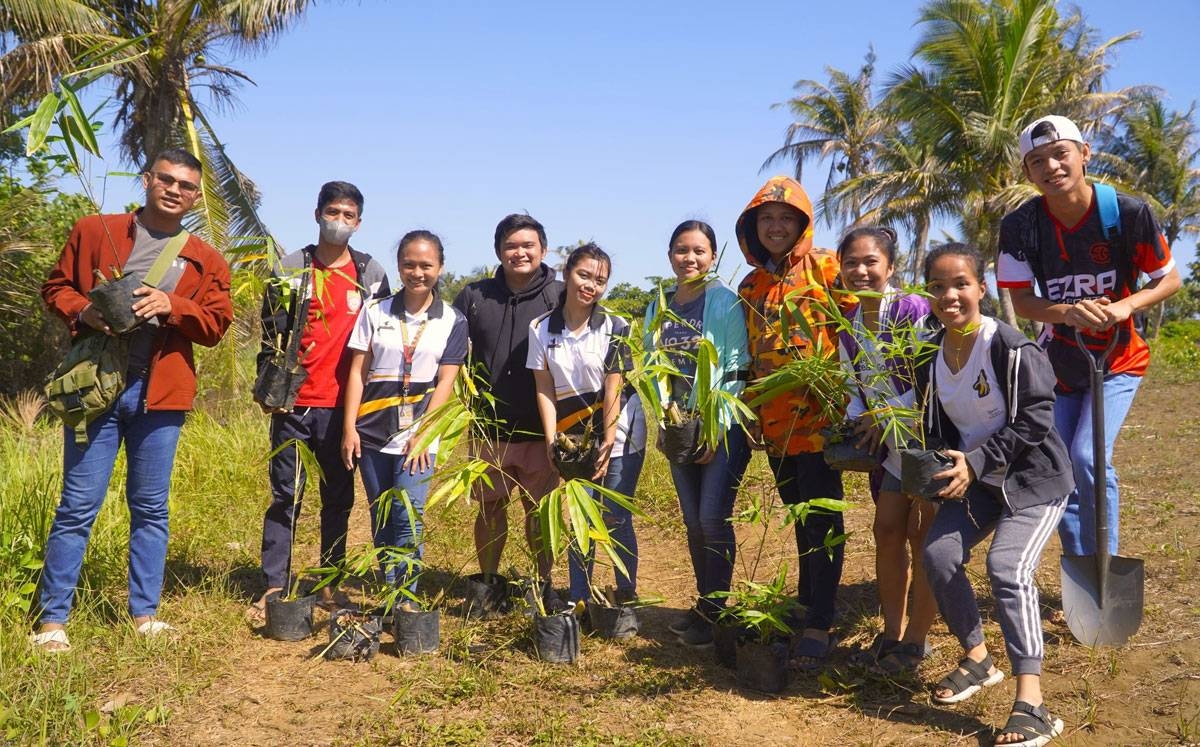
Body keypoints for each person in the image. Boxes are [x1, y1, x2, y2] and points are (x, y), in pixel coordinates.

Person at [33, 149, 233, 651]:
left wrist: (174, 305)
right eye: (165, 179)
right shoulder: (95, 230)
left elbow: (216, 325)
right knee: (78, 504)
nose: (174, 190)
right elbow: (56, 286)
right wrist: (85, 313)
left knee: (150, 506)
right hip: (96, 388)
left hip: (159, 393)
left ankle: (144, 614)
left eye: (186, 186)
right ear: (147, 180)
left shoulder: (205, 259)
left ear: (195, 196)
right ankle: (52, 621)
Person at [997, 114, 1181, 558]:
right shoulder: (1020, 226)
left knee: (1089, 456)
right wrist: (1068, 313)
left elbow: (1168, 279)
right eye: (1037, 161)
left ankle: (1107, 565)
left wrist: (1124, 307)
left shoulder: (1127, 213)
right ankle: (1081, 569)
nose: (1051, 167)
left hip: (1119, 358)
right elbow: (1022, 300)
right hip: (1059, 363)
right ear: (1028, 172)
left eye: (1061, 154)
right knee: (1062, 467)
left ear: (1084, 154)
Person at [919, 243, 1072, 747]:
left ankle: (1032, 701)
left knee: (1007, 569)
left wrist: (978, 461)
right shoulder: (930, 352)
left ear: (980, 288)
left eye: (960, 283)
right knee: (939, 554)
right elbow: (937, 423)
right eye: (938, 287)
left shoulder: (1009, 345)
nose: (950, 295)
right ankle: (979, 659)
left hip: (1034, 480)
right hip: (978, 480)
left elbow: (1036, 418)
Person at [249, 181, 389, 622]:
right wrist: (271, 392)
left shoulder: (371, 275)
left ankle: (331, 584)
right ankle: (276, 584)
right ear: (317, 214)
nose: (340, 221)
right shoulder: (293, 268)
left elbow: (382, 339)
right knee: (285, 495)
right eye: (333, 212)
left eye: (349, 215)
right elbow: (270, 334)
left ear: (359, 222)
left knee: (338, 497)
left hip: (344, 409)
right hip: (295, 403)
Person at [736, 175, 845, 671]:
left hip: (821, 419)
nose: (775, 227)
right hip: (776, 426)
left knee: (823, 520)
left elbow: (854, 328)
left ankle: (821, 621)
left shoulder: (825, 266)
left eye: (785, 218)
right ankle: (806, 602)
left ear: (802, 223)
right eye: (766, 218)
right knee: (798, 518)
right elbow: (750, 357)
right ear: (752, 227)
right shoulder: (750, 284)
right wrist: (754, 412)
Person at [341, 230, 467, 597]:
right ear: (398, 267)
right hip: (372, 432)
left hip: (419, 438)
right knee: (381, 516)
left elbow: (447, 381)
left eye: (426, 265)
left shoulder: (453, 320)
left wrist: (426, 432)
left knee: (409, 515)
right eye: (409, 264)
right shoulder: (374, 312)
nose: (417, 272)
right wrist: (349, 427)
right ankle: (389, 588)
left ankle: (406, 595)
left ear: (440, 268)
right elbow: (356, 372)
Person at [643, 220, 750, 648]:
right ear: (670, 255)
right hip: (678, 428)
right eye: (682, 250)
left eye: (699, 251)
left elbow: (737, 369)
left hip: (721, 427)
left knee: (712, 518)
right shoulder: (659, 304)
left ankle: (717, 612)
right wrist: (666, 421)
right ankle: (707, 606)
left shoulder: (724, 301)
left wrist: (714, 428)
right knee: (693, 523)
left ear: (713, 257)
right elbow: (654, 368)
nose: (690, 259)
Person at [834, 226, 936, 673]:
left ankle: (917, 638)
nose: (860, 270)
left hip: (928, 440)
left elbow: (930, 377)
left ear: (890, 267)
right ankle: (892, 632)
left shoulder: (912, 309)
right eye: (851, 262)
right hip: (889, 447)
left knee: (926, 537)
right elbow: (853, 385)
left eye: (870, 262)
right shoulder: (851, 325)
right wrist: (859, 419)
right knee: (888, 531)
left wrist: (883, 414)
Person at [452, 214, 563, 610]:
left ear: (543, 250)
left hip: (543, 430)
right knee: (489, 509)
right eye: (511, 246)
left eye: (528, 245)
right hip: (489, 429)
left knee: (540, 512)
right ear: (498, 251)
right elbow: (452, 356)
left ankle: (542, 584)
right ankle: (488, 582)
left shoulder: (560, 296)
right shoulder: (474, 296)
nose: (520, 252)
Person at [527, 243, 645, 608]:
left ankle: (625, 593)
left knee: (615, 516)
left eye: (600, 280)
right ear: (567, 272)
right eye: (584, 275)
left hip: (621, 431)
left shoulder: (616, 325)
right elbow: (544, 388)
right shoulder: (541, 328)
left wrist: (608, 443)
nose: (591, 285)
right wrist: (552, 442)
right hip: (573, 438)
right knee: (580, 517)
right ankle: (580, 597)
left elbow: (613, 387)